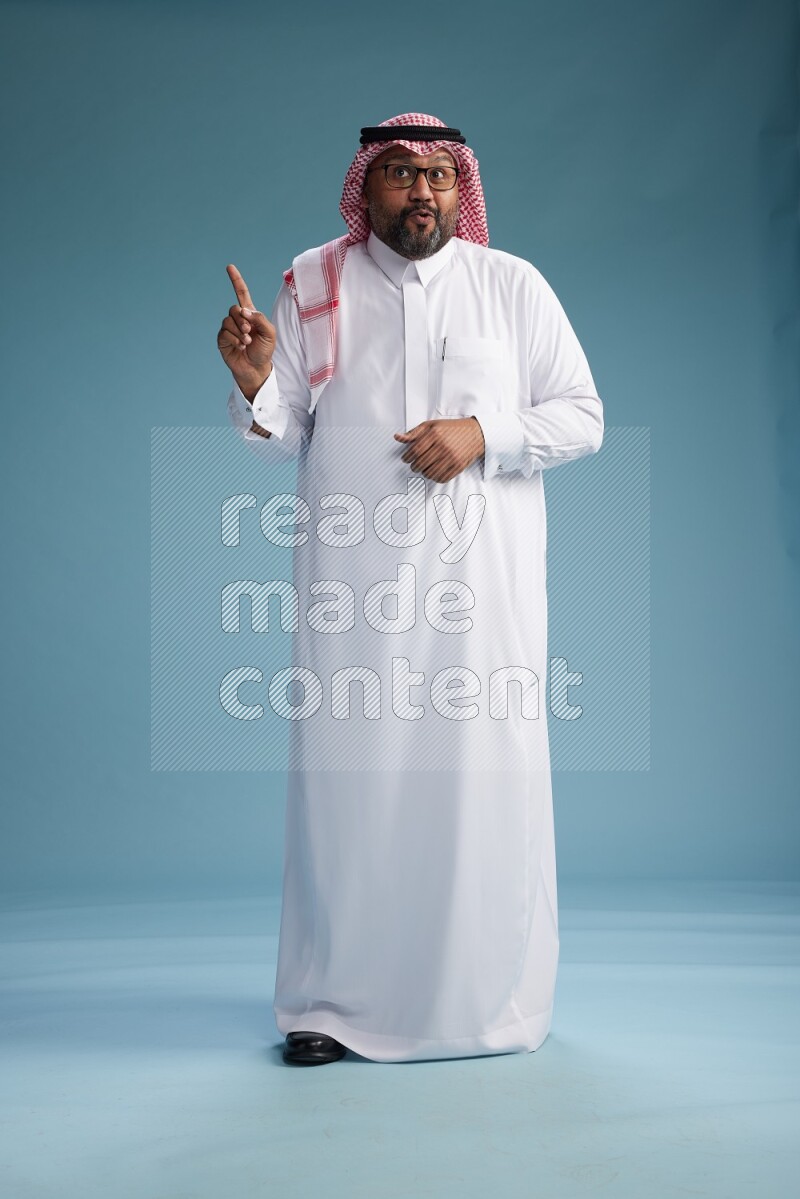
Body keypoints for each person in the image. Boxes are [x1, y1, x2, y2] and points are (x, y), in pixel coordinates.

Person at [216, 113, 604, 1066]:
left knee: (478, 790)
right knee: (350, 796)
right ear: (367, 187)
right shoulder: (313, 280)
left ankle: (490, 1004)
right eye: (396, 174)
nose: (419, 191)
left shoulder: (510, 286)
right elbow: (284, 426)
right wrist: (256, 377)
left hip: (483, 600)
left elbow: (583, 415)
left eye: (434, 174)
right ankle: (329, 1005)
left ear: (456, 185)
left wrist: (484, 434)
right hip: (355, 598)